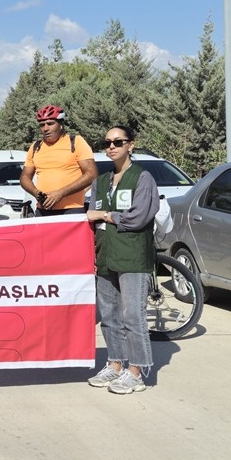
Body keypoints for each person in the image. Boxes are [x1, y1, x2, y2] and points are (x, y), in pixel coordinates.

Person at [85, 125, 159, 395]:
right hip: (105, 255)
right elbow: (89, 218)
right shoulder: (100, 181)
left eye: (118, 141)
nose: (112, 147)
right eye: (107, 142)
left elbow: (139, 217)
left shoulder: (143, 178)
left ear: (131, 145)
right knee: (109, 316)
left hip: (133, 256)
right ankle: (115, 365)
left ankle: (137, 371)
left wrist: (106, 215)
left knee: (132, 316)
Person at [20, 104, 98, 216]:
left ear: (61, 124)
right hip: (43, 210)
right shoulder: (35, 147)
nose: (45, 128)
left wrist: (61, 193)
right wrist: (36, 193)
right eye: (42, 125)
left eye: (50, 123)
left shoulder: (76, 142)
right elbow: (25, 177)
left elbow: (92, 174)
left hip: (71, 210)